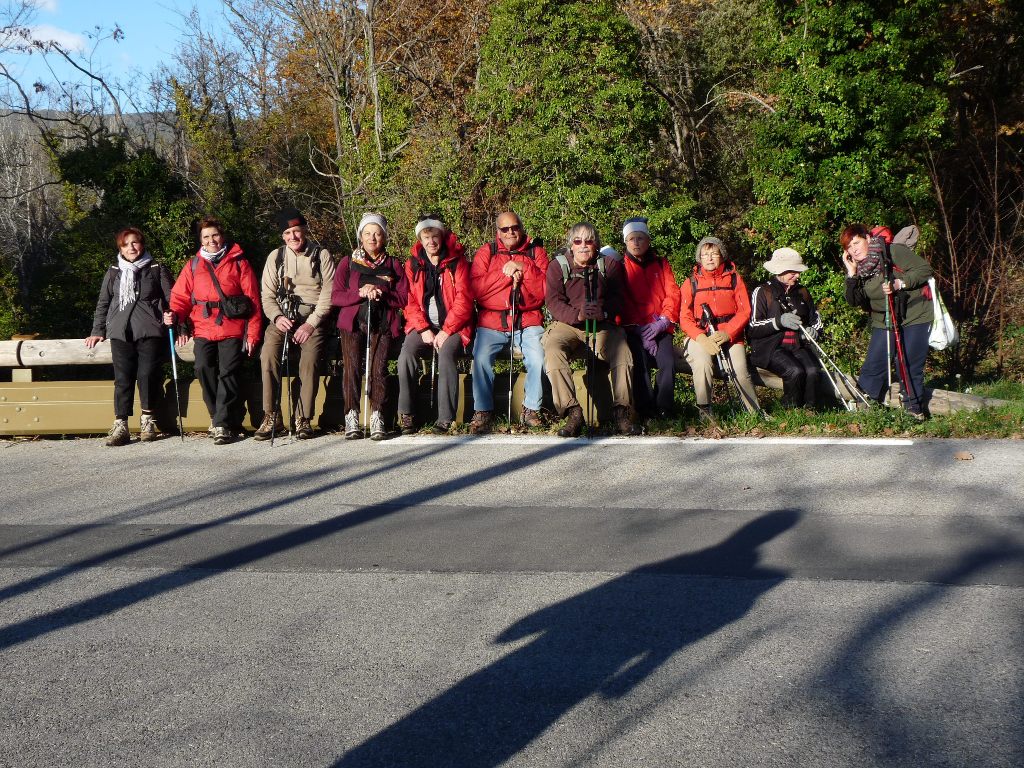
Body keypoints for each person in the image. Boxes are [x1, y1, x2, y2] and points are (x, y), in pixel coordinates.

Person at [166, 217, 261, 444]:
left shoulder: (240, 262)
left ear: (222, 236)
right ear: (201, 240)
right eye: (206, 237)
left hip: (233, 326)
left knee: (228, 372)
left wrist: (253, 334)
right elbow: (179, 297)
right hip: (203, 327)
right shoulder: (194, 265)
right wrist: (174, 315)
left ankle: (221, 424)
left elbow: (253, 302)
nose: (211, 240)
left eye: (215, 235)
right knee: (202, 368)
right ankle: (218, 416)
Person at [543, 222, 635, 437]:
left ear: (596, 244)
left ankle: (622, 412)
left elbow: (618, 298)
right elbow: (554, 302)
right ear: (571, 245)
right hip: (567, 323)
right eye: (578, 241)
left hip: (601, 325)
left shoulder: (610, 266)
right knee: (552, 347)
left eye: (589, 241)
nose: (583, 245)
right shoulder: (557, 266)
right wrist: (578, 315)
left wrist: (603, 312)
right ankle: (572, 412)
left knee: (622, 350)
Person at [85, 227, 174, 446]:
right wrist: (98, 331)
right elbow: (103, 302)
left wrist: (177, 324)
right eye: (126, 244)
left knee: (147, 375)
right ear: (120, 248)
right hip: (120, 331)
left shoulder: (155, 268)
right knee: (122, 379)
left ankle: (147, 419)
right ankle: (121, 424)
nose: (131, 248)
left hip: (150, 330)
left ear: (142, 244)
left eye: (135, 243)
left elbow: (172, 299)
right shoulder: (114, 270)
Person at [254, 208, 336, 441]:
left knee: (309, 360)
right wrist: (278, 317)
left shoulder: (322, 255)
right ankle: (271, 415)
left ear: (304, 231)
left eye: (297, 231)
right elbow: (267, 295)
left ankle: (303, 417)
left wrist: (310, 325)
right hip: (283, 316)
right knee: (268, 353)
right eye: (288, 233)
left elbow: (328, 294)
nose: (293, 237)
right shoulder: (276, 257)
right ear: (283, 236)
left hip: (313, 318)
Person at [468, 211, 549, 435]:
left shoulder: (536, 253)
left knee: (539, 358)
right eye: (505, 229)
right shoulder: (487, 252)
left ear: (521, 228)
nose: (510, 232)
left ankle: (531, 409)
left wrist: (523, 267)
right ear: (498, 232)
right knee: (481, 357)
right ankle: (483, 411)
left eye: (514, 227)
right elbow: (476, 290)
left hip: (528, 320)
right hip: (492, 321)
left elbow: (544, 291)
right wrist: (505, 275)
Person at [840, 223, 933, 418]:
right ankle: (864, 406)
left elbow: (924, 269)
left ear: (867, 238)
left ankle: (913, 410)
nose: (853, 250)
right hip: (884, 319)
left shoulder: (892, 252)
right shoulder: (860, 269)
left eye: (856, 243)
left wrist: (900, 283)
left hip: (914, 314)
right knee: (874, 362)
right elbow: (853, 300)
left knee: (907, 362)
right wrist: (851, 273)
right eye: (848, 247)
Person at [331, 212, 408, 440]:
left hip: (383, 322)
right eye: (367, 233)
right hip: (353, 322)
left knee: (378, 368)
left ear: (384, 237)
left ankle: (377, 415)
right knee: (352, 367)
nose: (372, 238)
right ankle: (351, 415)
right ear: (360, 237)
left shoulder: (393, 264)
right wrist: (360, 293)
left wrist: (381, 292)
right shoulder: (348, 262)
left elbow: (403, 297)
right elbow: (336, 296)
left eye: (377, 233)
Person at [397, 215, 473, 435]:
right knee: (406, 355)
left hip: (455, 327)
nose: (431, 241)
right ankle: (407, 414)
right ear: (420, 239)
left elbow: (464, 300)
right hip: (422, 326)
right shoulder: (412, 264)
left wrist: (447, 330)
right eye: (426, 237)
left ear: (443, 236)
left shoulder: (458, 263)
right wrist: (423, 328)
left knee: (447, 353)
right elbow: (408, 300)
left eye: (435, 236)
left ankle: (445, 418)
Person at [678, 236, 760, 420]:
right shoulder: (691, 282)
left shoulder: (734, 279)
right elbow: (684, 317)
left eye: (714, 253)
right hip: (701, 335)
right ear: (699, 257)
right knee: (703, 362)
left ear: (721, 256)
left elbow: (745, 311)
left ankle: (754, 412)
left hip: (730, 334)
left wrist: (728, 333)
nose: (709, 258)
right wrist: (701, 338)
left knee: (739, 368)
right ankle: (705, 411)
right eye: (705, 254)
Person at [617, 217, 681, 421]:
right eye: (632, 239)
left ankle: (664, 409)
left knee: (667, 362)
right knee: (639, 361)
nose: (636, 243)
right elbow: (623, 301)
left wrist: (663, 321)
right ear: (626, 242)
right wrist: (639, 329)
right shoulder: (620, 266)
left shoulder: (661, 264)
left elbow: (673, 293)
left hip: (660, 326)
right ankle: (645, 411)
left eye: (640, 238)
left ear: (648, 240)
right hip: (635, 329)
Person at [748, 248, 824, 409]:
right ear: (780, 270)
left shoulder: (802, 292)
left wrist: (813, 331)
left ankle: (810, 409)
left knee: (813, 370)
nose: (797, 275)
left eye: (798, 271)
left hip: (798, 345)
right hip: (770, 348)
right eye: (793, 271)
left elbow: (815, 319)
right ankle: (790, 409)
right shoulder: (763, 292)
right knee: (794, 371)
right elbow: (753, 326)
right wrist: (779, 322)